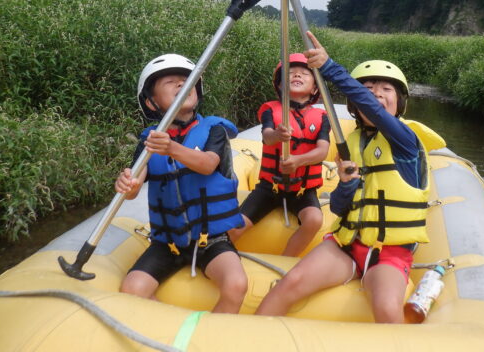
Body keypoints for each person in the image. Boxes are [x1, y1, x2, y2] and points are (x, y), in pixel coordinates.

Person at [255, 33, 431, 324]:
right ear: (353, 105)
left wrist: (329, 68)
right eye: (368, 88)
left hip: (389, 252)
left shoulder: (404, 139)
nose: (376, 94)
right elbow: (338, 207)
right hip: (346, 244)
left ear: (398, 102)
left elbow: (372, 107)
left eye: (386, 89)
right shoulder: (351, 143)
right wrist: (347, 184)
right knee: (289, 283)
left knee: (388, 310)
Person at [115, 53, 247, 313]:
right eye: (170, 82)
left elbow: (208, 163)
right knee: (132, 289)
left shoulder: (214, 130)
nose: (180, 85)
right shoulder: (149, 142)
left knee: (236, 284)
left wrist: (172, 148)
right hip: (168, 243)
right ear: (152, 103)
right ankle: (171, 334)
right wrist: (126, 184)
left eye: (186, 80)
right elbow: (133, 187)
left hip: (211, 239)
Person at [230, 53, 331, 257]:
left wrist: (298, 161)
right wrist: (278, 134)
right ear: (280, 85)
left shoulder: (321, 117)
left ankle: (286, 260)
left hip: (302, 190)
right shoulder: (271, 110)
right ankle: (219, 253)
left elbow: (322, 151)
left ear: (314, 88)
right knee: (235, 226)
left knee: (314, 220)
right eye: (291, 73)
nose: (297, 75)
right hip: (270, 188)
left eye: (304, 73)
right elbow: (267, 137)